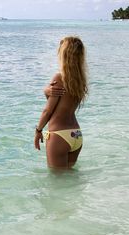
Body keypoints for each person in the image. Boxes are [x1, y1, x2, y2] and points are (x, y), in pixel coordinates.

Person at [34, 36, 88, 169]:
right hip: (76, 134)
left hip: (59, 136)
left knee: (57, 183)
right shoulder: (80, 81)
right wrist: (46, 91)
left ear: (64, 55)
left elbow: (48, 110)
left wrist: (38, 130)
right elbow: (64, 105)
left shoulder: (59, 78)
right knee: (69, 179)